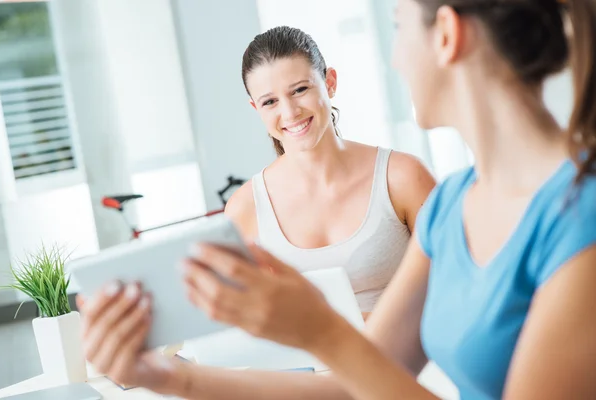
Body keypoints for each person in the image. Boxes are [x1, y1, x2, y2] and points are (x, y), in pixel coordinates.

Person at [79, 0, 596, 399]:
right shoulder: (452, 208)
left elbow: (352, 364)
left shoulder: (581, 219)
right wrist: (168, 377)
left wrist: (318, 328)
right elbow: (357, 381)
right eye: (269, 101)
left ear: (446, 36)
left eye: (396, 26)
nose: (393, 57)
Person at [224, 26, 435, 318]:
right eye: (270, 101)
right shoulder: (245, 209)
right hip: (302, 364)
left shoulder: (403, 177)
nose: (290, 112)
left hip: (405, 360)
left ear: (329, 82)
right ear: (255, 108)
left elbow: (456, 287)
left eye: (300, 90)